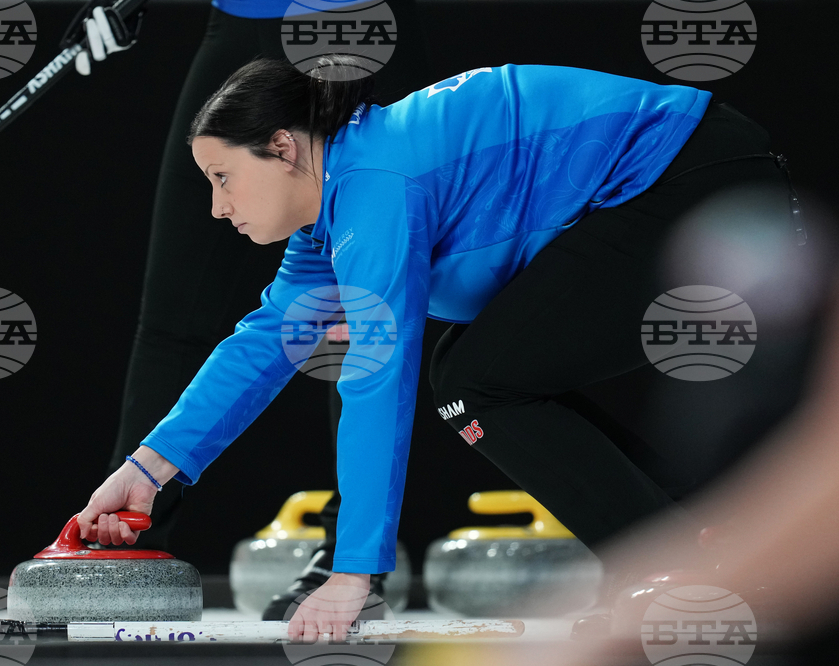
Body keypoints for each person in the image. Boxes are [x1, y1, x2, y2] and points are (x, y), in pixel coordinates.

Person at [77, 54, 811, 642]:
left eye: (223, 177)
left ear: (283, 148)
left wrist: (352, 576)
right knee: (486, 375)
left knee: (477, 382)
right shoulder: (331, 215)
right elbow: (264, 342)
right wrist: (149, 469)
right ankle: (702, 543)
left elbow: (375, 378)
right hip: (689, 173)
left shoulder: (376, 184)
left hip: (697, 180)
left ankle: (672, 566)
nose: (217, 206)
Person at [63, 0, 435, 619]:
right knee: (176, 311)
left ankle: (353, 564)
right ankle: (128, 534)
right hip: (240, 15)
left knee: (354, 311)